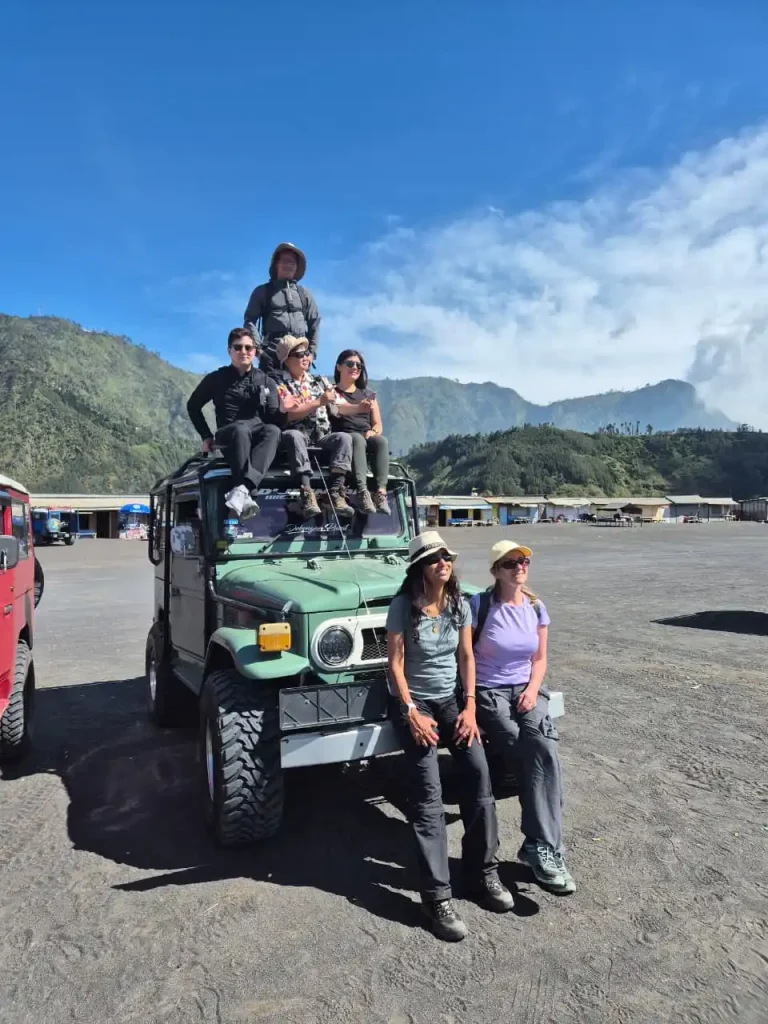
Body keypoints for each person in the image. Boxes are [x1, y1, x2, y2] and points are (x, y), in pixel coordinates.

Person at [386, 532, 514, 942]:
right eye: (435, 558)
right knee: (428, 793)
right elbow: (395, 665)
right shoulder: (403, 606)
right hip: (414, 702)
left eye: (447, 557)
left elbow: (466, 657)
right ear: (420, 568)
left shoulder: (459, 603)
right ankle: (436, 897)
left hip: (452, 699)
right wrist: (410, 713)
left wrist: (470, 708)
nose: (444, 562)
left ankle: (482, 874)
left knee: (479, 776)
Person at [470, 540, 576, 895]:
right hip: (490, 690)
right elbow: (465, 656)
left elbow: (540, 658)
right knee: (526, 753)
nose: (520, 567)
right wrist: (469, 701)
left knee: (543, 748)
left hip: (527, 689)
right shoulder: (480, 605)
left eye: (524, 561)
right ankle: (544, 850)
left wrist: (532, 691)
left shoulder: (535, 606)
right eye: (512, 563)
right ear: (496, 570)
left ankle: (542, 848)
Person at [186, 327, 281, 518]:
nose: (243, 352)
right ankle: (245, 488)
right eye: (238, 348)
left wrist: (285, 406)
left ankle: (242, 490)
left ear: (255, 351)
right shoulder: (216, 379)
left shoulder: (266, 381)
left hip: (256, 432)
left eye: (248, 348)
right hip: (228, 434)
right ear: (229, 350)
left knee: (273, 430)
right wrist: (206, 435)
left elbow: (273, 416)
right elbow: (193, 406)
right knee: (241, 429)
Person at [274, 336, 355, 520]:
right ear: (287, 359)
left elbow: (338, 407)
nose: (306, 357)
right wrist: (319, 402)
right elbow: (289, 415)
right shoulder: (278, 384)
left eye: (307, 353)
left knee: (344, 438)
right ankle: (307, 493)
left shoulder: (320, 381)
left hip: (321, 436)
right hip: (296, 435)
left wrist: (362, 406)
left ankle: (335, 494)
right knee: (294, 436)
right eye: (300, 353)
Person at [243, 242, 321, 376]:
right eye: (285, 260)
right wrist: (260, 352)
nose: (289, 264)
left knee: (302, 395)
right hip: (272, 357)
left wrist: (311, 353)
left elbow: (315, 322)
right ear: (276, 264)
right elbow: (249, 321)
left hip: (300, 357)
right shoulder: (263, 292)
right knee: (272, 395)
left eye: (293, 262)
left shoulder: (305, 294)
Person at [330, 349, 390, 516]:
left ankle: (380, 493)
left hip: (366, 434)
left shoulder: (367, 395)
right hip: (346, 438)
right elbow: (336, 410)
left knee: (381, 441)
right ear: (338, 367)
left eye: (359, 365)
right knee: (356, 438)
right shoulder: (332, 393)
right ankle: (362, 492)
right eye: (350, 364)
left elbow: (378, 424)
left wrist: (373, 432)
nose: (355, 367)